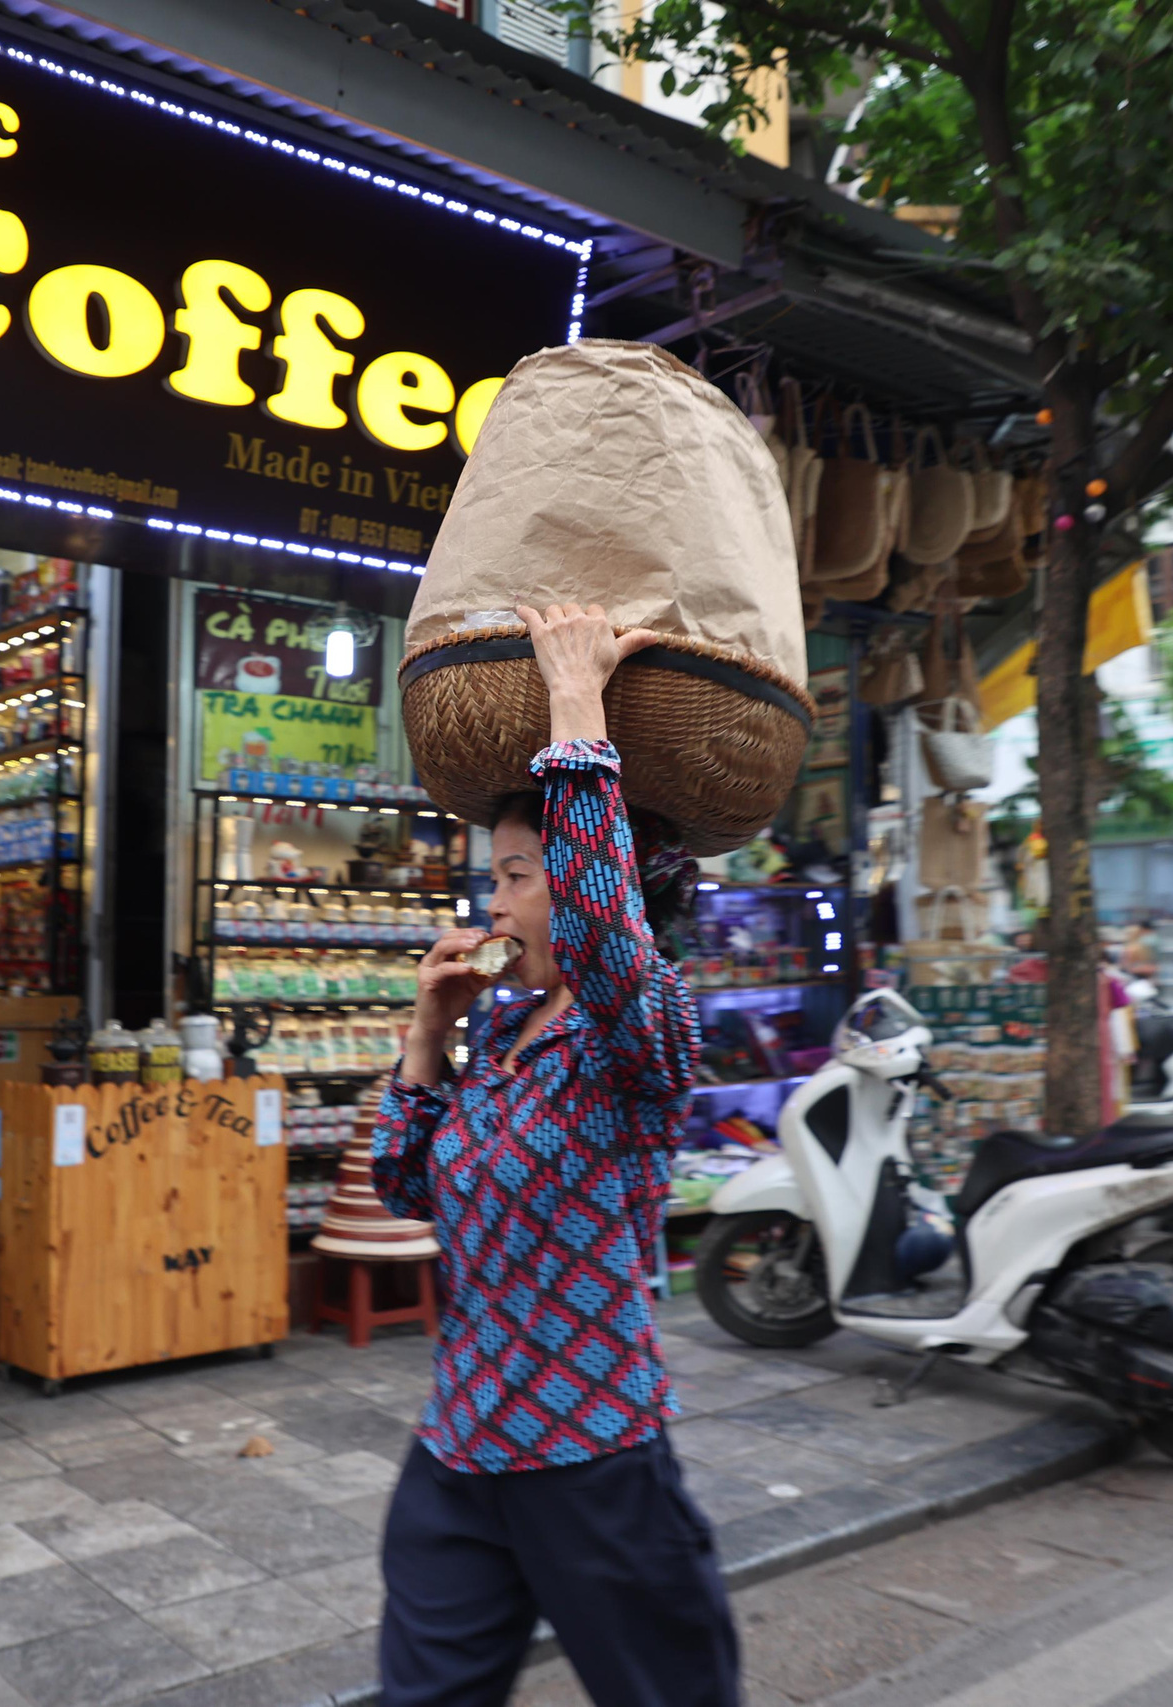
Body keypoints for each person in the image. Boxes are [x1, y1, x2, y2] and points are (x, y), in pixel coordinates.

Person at [370, 603, 739, 1707]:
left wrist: (576, 698)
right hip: (461, 1446)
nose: (493, 905)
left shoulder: (641, 1031)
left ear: (584, 880)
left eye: (516, 875)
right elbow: (405, 1184)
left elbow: (602, 935)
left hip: (591, 1453)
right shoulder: (502, 1036)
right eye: (493, 879)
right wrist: (427, 1035)